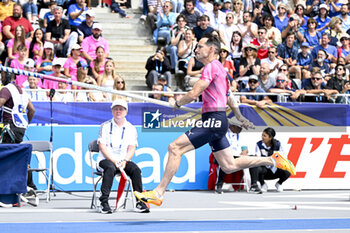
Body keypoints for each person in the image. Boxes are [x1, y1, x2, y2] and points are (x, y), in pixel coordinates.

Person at [134, 34, 296, 206]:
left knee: (174, 148)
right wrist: (239, 117)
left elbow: (194, 93)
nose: (196, 50)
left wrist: (177, 103)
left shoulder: (211, 67)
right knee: (229, 165)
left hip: (213, 120)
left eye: (200, 47)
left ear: (211, 49)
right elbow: (230, 98)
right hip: (218, 120)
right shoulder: (221, 70)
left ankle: (158, 192)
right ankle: (272, 159)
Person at [97, 99, 150, 213]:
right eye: (116, 109)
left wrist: (125, 160)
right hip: (105, 160)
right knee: (110, 167)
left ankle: (139, 202)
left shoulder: (131, 128)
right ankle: (104, 202)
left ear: (126, 112)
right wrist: (113, 160)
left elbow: (132, 148)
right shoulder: (105, 126)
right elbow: (102, 147)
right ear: (112, 111)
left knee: (135, 170)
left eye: (121, 109)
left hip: (123, 161)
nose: (118, 111)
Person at [249, 127, 291, 193]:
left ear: (270, 137)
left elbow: (283, 157)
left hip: (275, 169)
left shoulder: (278, 144)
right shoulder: (259, 144)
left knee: (288, 170)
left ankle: (279, 184)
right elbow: (258, 158)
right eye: (262, 135)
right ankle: (261, 184)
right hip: (264, 170)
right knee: (254, 165)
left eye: (264, 136)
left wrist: (275, 161)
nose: (262, 137)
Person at [0, 72, 35, 143]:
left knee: (5, 152)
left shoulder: (6, 89)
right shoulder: (22, 91)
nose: (1, 78)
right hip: (21, 128)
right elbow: (32, 110)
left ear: (8, 76)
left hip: (9, 126)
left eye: (2, 76)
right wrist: (26, 123)